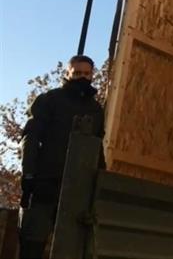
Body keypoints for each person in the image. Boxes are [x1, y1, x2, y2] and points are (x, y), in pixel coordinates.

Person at [19, 55, 105, 259]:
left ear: (92, 75)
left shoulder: (96, 110)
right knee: (32, 243)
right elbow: (31, 138)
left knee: (71, 247)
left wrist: (100, 181)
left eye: (86, 73)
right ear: (67, 74)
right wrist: (29, 175)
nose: (82, 77)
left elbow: (97, 147)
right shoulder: (50, 100)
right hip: (44, 184)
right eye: (76, 73)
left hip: (78, 189)